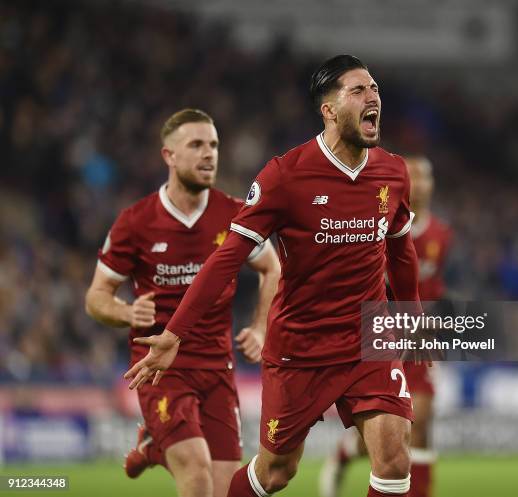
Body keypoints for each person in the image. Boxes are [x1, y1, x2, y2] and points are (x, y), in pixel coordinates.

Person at [124, 55, 422, 497]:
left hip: (367, 340)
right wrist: (175, 333)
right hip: (301, 349)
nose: (372, 96)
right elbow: (227, 258)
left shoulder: (393, 172)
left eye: (375, 89)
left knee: (395, 459)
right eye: (358, 90)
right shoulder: (286, 175)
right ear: (329, 109)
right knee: (276, 472)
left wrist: (412, 315)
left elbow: (400, 249)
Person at [85, 109, 281, 497]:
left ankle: (154, 446)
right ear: (168, 156)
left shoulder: (235, 214)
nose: (209, 154)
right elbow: (95, 298)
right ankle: (162, 443)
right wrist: (126, 312)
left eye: (213, 145)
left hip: (218, 367)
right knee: (195, 470)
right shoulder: (135, 222)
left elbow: (272, 268)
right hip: (161, 368)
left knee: (226, 488)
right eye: (196, 145)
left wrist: (261, 327)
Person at [319, 156, 453, 497]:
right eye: (414, 176)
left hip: (420, 338)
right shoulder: (380, 225)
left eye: (426, 176)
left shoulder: (442, 234)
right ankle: (346, 452)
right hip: (383, 336)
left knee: (420, 425)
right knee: (387, 433)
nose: (421, 183)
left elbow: (436, 287)